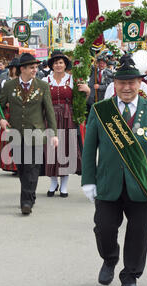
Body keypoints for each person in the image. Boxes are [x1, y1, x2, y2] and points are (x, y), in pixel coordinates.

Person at [81, 55, 147, 286]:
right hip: (108, 183)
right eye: (122, 82)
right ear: (115, 85)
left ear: (140, 84)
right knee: (104, 229)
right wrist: (88, 180)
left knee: (138, 233)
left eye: (132, 82)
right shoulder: (101, 111)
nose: (126, 87)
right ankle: (110, 258)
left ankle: (130, 276)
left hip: (141, 185)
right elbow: (89, 148)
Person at [0, 53, 58, 215]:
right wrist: (1, 119)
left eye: (36, 67)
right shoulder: (9, 86)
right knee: (22, 167)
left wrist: (54, 133)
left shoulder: (42, 86)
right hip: (16, 133)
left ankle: (26, 201)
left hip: (36, 133)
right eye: (31, 67)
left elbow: (49, 111)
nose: (34, 70)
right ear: (22, 69)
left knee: (32, 167)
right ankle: (30, 194)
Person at [42, 51, 90, 197]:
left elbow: (81, 100)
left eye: (61, 62)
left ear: (65, 64)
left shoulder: (72, 79)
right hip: (49, 118)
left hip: (67, 117)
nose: (58, 65)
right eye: (56, 62)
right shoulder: (45, 80)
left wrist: (87, 91)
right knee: (50, 150)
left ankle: (64, 185)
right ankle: (53, 182)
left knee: (66, 150)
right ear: (51, 65)